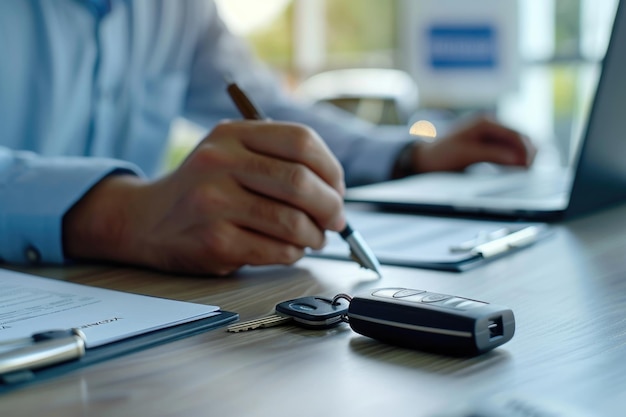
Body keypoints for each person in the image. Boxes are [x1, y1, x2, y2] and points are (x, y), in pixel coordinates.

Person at [0, 1, 535, 275]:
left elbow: (270, 110)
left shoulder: (178, 9)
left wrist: (412, 153)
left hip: (131, 307)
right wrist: (117, 214)